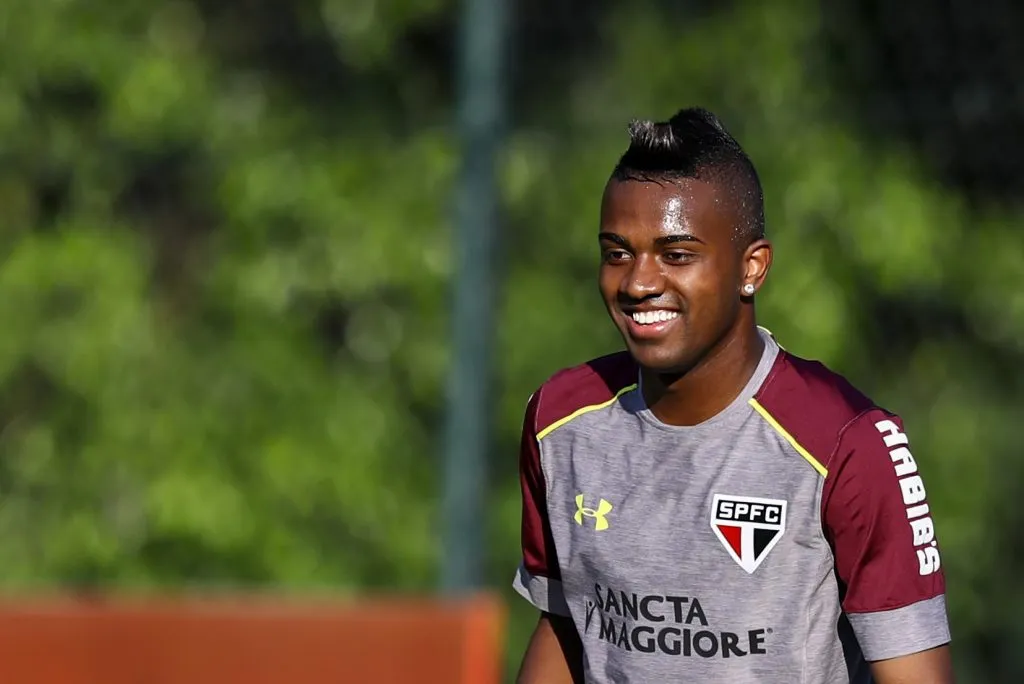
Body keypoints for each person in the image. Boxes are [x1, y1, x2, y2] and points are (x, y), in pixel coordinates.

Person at [511, 107, 953, 684]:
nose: (639, 282)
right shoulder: (559, 421)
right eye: (618, 252)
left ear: (752, 268)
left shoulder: (850, 442)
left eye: (676, 255)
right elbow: (567, 625)